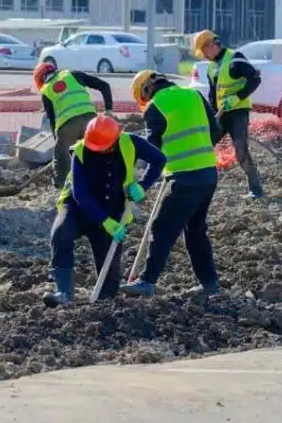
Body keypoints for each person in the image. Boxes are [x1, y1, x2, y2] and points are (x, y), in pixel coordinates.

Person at [45, 114, 166, 307]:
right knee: (60, 233)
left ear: (116, 138)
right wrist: (105, 221)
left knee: (109, 284)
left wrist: (143, 185)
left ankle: (104, 304)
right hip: (78, 209)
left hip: (113, 210)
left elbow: (159, 159)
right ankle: (63, 293)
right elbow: (80, 194)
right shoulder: (81, 151)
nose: (101, 152)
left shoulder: (130, 142)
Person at [121, 70, 222, 298]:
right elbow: (215, 130)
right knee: (195, 230)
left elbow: (153, 154)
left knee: (162, 228)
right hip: (208, 174)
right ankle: (210, 284)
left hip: (184, 178)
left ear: (146, 90)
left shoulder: (156, 108)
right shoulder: (194, 95)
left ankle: (146, 281)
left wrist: (143, 184)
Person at [192, 29, 264, 199]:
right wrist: (210, 115)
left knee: (241, 150)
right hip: (221, 113)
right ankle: (196, 182)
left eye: (203, 50)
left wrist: (237, 97)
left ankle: (256, 188)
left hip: (238, 112)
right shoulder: (211, 67)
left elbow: (255, 79)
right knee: (205, 144)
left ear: (211, 45)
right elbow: (212, 94)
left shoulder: (235, 58)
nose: (203, 55)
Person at [33, 61, 115, 188]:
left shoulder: (46, 89)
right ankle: (105, 178)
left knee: (61, 157)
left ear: (41, 79)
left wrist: (60, 146)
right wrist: (108, 109)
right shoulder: (72, 74)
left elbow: (52, 119)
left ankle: (61, 185)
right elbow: (104, 86)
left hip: (67, 125)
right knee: (96, 151)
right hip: (91, 122)